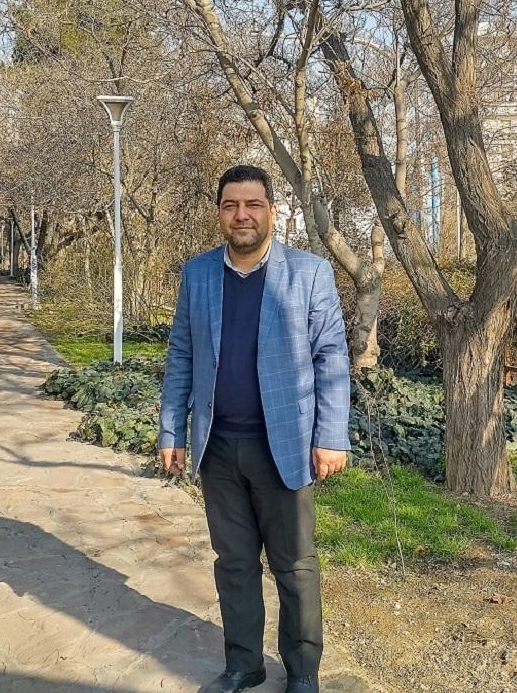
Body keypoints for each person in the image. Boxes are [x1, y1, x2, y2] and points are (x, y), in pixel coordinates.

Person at [156, 165, 351, 693]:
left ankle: (302, 671)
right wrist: (172, 430)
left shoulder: (309, 273)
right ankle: (243, 664)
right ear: (220, 213)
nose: (241, 215)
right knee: (234, 563)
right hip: (218, 446)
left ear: (272, 211)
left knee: (295, 566)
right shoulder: (198, 274)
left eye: (253, 205)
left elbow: (332, 356)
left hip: (284, 445)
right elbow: (181, 354)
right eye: (231, 205)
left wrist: (331, 435)